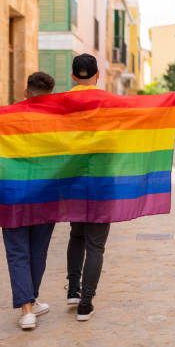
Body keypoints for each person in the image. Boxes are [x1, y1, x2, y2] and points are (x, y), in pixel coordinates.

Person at [0, 71, 57, 330]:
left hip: (11, 196)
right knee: (38, 251)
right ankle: (29, 303)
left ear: (26, 93)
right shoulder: (59, 121)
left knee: (17, 252)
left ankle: (27, 309)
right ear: (50, 95)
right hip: (46, 196)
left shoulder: (4, 117)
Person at [65, 53, 111, 322]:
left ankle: (73, 289)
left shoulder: (61, 104)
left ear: (73, 76)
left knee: (77, 235)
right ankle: (85, 303)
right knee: (96, 244)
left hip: (72, 179)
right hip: (100, 181)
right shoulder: (109, 104)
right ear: (97, 76)